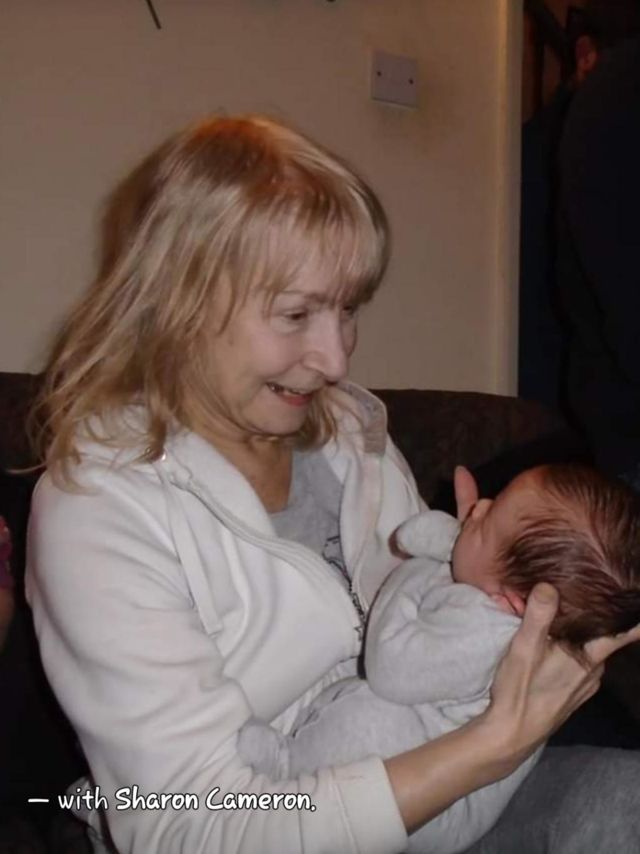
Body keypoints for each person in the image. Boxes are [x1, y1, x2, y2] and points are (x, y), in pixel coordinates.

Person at [25, 115, 640, 854]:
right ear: (178, 302)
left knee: (625, 802)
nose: (336, 359)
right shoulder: (99, 509)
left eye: (347, 309)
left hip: (433, 780)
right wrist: (490, 748)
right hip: (267, 819)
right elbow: (187, 823)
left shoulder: (349, 433)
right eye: (296, 314)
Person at [238, 463, 640, 853]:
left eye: (487, 522)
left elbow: (390, 669)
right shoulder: (498, 599)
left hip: (446, 810)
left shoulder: (488, 633)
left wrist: (415, 574)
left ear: (512, 602)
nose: (478, 508)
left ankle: (287, 769)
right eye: (492, 502)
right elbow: (432, 544)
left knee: (370, 723)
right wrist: (458, 548)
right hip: (437, 762)